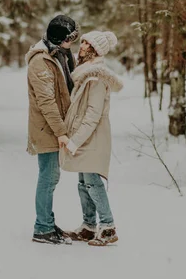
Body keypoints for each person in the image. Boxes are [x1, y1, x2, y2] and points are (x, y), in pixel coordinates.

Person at [60, 30, 123, 246]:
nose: (82, 45)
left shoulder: (96, 77)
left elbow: (93, 114)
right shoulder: (84, 73)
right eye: (83, 41)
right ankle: (88, 226)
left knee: (93, 182)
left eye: (87, 43)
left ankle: (107, 227)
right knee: (83, 182)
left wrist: (75, 140)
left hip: (93, 136)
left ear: (95, 50)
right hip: (85, 135)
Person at [26, 14, 79, 245]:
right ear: (59, 38)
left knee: (51, 176)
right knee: (48, 177)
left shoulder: (60, 54)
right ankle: (42, 228)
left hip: (56, 125)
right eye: (71, 37)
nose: (74, 41)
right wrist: (61, 132)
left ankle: (47, 222)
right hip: (47, 127)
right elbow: (46, 101)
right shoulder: (41, 61)